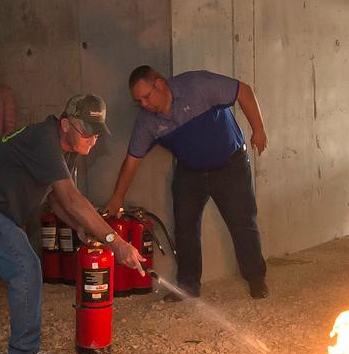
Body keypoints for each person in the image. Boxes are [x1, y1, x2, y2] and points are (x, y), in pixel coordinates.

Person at [0, 94, 143, 354]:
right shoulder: (45, 141)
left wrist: (80, 226)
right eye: (86, 131)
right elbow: (72, 199)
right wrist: (115, 242)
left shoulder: (63, 146)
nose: (92, 140)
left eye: (97, 134)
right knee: (25, 268)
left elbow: (56, 198)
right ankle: (23, 352)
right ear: (65, 124)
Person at [105, 65, 269, 301]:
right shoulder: (147, 122)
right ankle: (188, 285)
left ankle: (256, 279)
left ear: (160, 84)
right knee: (185, 227)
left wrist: (259, 130)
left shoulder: (197, 85)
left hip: (230, 165)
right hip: (190, 172)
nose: (143, 104)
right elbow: (132, 161)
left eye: (146, 97)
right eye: (138, 101)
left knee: (243, 223)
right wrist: (117, 197)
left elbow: (243, 91)